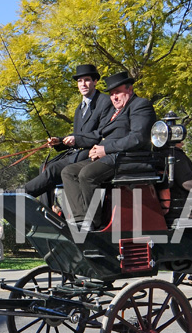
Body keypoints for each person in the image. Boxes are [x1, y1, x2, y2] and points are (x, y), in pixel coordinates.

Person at [60, 71, 156, 231]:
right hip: (108, 157)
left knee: (87, 174)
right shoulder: (114, 112)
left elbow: (138, 138)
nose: (114, 97)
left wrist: (105, 149)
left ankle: (93, 223)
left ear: (130, 90)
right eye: (111, 94)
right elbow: (98, 134)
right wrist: (79, 143)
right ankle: (80, 218)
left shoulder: (140, 105)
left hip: (128, 158)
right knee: (68, 172)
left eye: (118, 92)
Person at [23, 64, 114, 204]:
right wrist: (59, 141)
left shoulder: (105, 101)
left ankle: (20, 194)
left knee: (53, 169)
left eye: (87, 80)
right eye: (79, 81)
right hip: (76, 151)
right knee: (44, 166)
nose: (83, 84)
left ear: (95, 81)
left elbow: (101, 134)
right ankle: (46, 211)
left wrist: (76, 140)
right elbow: (78, 134)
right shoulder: (79, 108)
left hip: (92, 151)